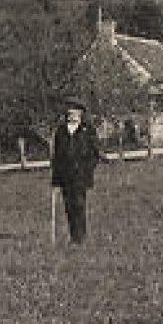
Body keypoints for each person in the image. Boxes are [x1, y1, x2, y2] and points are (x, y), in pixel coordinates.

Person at [51, 100, 101, 244]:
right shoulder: (61, 131)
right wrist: (55, 179)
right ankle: (73, 237)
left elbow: (95, 152)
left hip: (81, 175)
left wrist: (88, 169)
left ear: (80, 113)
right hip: (65, 175)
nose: (71, 114)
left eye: (75, 112)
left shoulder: (88, 129)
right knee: (68, 206)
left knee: (79, 204)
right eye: (69, 112)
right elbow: (56, 156)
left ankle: (80, 237)